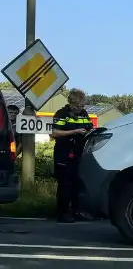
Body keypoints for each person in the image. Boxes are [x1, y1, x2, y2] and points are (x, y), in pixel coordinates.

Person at [49, 89, 93, 223]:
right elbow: (54, 133)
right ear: (71, 103)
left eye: (82, 106)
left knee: (77, 183)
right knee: (65, 184)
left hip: (79, 152)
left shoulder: (84, 113)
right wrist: (74, 131)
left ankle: (77, 210)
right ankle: (62, 213)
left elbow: (88, 125)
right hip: (64, 152)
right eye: (77, 106)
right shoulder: (62, 114)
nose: (80, 109)